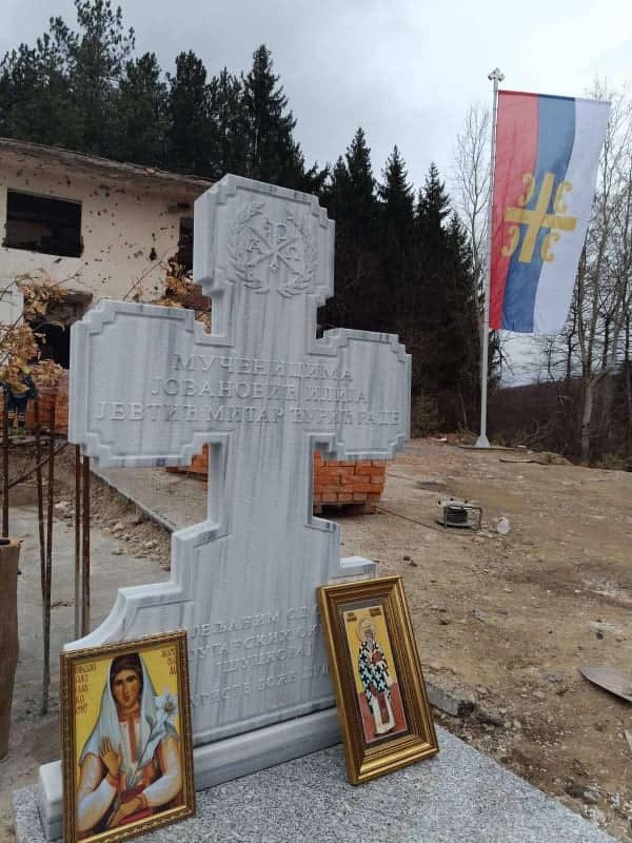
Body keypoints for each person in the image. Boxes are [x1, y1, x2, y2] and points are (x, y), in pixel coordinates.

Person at [76, 652, 182, 837]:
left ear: (141, 682)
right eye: (119, 683)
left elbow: (176, 775)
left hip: (156, 808)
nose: (126, 690)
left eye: (131, 679)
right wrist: (112, 777)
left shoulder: (159, 722)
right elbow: (80, 817)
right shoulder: (102, 735)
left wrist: (140, 801)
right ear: (111, 689)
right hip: (114, 819)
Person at [357, 616, 396, 737]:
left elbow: (383, 662)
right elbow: (362, 667)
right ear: (364, 635)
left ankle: (390, 726)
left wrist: (378, 660)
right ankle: (380, 730)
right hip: (370, 680)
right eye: (366, 633)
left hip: (381, 679)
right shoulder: (362, 648)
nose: (368, 635)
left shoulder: (378, 646)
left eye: (370, 633)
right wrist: (369, 683)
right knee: (375, 704)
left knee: (385, 702)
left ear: (372, 634)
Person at [0, 362, 37, 437]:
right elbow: (1, 378)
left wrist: (23, 367)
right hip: (12, 398)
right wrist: (5, 370)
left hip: (22, 398)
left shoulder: (26, 378)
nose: (16, 376)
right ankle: (10, 431)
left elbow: (30, 380)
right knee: (11, 414)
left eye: (18, 374)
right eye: (14, 373)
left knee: (21, 415)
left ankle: (21, 432)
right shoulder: (9, 378)